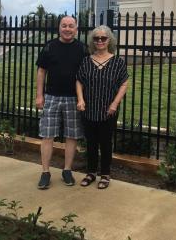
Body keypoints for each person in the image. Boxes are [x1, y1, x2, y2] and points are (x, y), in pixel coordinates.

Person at [35, 16, 87, 189]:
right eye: (64, 25)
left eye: (71, 26)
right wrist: (39, 95)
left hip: (73, 98)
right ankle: (45, 172)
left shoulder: (81, 48)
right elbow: (41, 72)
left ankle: (67, 170)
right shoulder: (50, 46)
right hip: (51, 97)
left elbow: (86, 75)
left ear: (76, 29)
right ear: (59, 28)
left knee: (72, 135)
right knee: (47, 135)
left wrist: (83, 98)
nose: (67, 29)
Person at [76, 25, 128, 189]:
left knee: (105, 143)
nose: (99, 41)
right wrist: (80, 99)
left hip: (108, 110)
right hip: (89, 109)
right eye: (96, 38)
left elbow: (124, 83)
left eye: (103, 38)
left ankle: (105, 174)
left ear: (109, 40)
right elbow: (79, 81)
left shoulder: (118, 62)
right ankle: (91, 172)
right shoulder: (86, 61)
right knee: (91, 143)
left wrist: (115, 103)